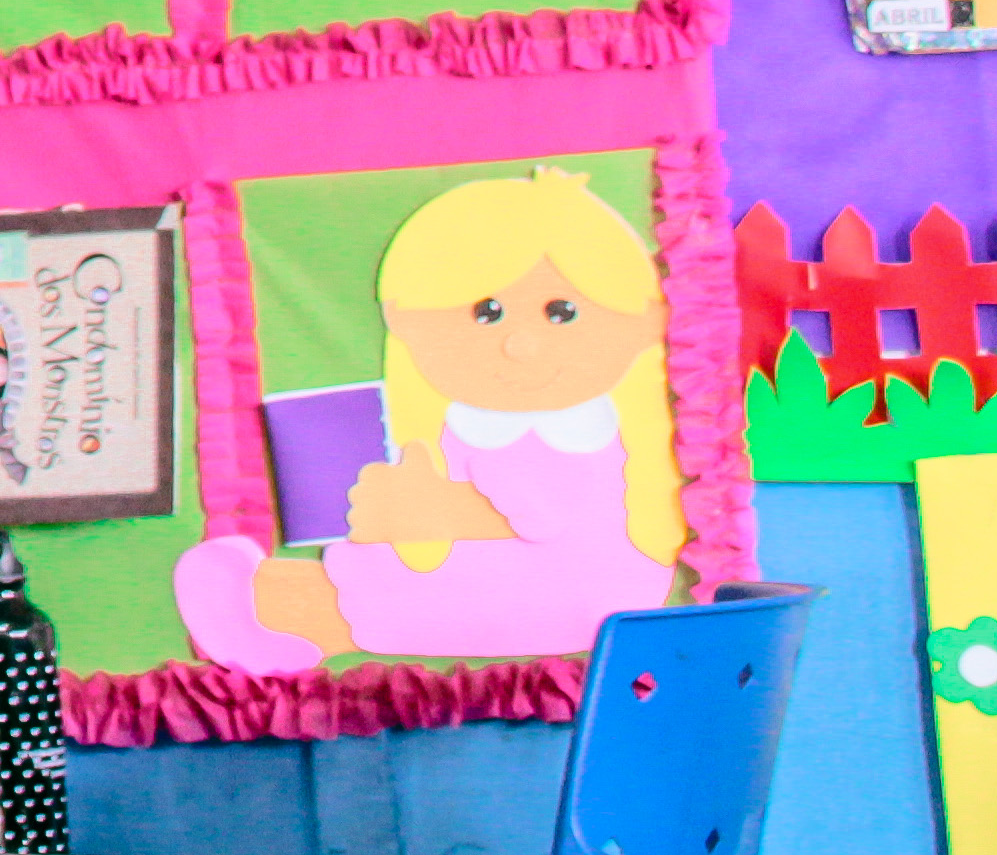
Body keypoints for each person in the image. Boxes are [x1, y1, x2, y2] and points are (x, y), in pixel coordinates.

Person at [172, 166, 685, 668]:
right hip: (491, 578)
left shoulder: (586, 432)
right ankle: (283, 612)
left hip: (579, 597)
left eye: (561, 312)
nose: (520, 344)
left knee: (376, 591)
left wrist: (425, 512)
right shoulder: (460, 420)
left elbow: (540, 516)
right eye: (486, 313)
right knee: (377, 572)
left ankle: (288, 615)